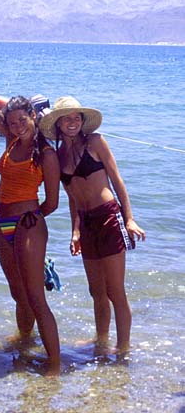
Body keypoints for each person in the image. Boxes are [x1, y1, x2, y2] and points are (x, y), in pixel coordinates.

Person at [39, 96, 146, 353]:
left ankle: (123, 349)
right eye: (67, 118)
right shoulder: (58, 154)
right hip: (86, 223)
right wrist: (75, 232)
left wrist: (129, 218)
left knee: (115, 291)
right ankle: (101, 341)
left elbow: (117, 181)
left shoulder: (96, 142)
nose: (72, 122)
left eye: (77, 117)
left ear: (83, 121)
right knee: (96, 290)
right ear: (58, 123)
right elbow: (72, 197)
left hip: (109, 217)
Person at [0, 94, 61, 375]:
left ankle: (54, 366)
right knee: (18, 294)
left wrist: (32, 219)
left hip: (28, 225)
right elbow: (1, 122)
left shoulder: (46, 153)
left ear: (34, 117)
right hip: (2, 223)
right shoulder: (11, 139)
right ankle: (25, 343)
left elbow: (52, 202)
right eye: (12, 122)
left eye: (22, 120)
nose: (17, 126)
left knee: (36, 297)